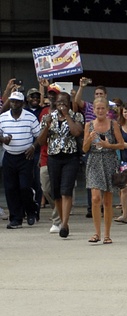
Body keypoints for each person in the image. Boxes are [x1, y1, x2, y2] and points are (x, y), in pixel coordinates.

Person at [35, 92, 83, 238]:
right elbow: (42, 141)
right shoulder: (47, 117)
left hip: (70, 158)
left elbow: (76, 132)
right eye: (59, 101)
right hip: (53, 158)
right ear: (55, 103)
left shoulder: (76, 116)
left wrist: (67, 115)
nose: (61, 103)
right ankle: (63, 221)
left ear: (69, 103)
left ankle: (64, 224)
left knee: (66, 191)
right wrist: (47, 126)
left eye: (65, 101)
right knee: (55, 193)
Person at [82, 96, 126, 243]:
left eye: (103, 108)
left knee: (107, 200)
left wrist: (108, 145)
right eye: (97, 108)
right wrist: (89, 138)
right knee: (95, 198)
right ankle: (96, 232)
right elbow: (84, 148)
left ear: (107, 110)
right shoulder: (89, 125)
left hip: (109, 160)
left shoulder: (113, 124)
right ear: (93, 110)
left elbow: (121, 144)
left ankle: (107, 234)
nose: (100, 111)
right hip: (94, 160)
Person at [0, 91, 41, 229]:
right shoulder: (3, 117)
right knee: (11, 188)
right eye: (12, 101)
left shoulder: (30, 117)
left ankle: (30, 210)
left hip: (25, 156)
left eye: (17, 102)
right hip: (9, 156)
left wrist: (33, 147)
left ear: (22, 103)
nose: (14, 104)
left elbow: (40, 135)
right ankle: (16, 218)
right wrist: (3, 139)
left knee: (24, 187)